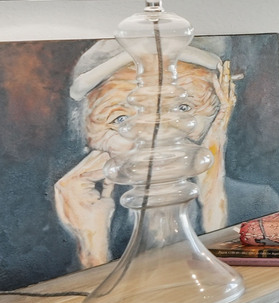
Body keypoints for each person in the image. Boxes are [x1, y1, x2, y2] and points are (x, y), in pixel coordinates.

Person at [53, 40, 240, 269]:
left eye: (183, 108)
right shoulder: (73, 221)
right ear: (91, 140)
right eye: (121, 119)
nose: (156, 134)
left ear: (221, 108)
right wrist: (93, 246)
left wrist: (213, 194)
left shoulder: (255, 204)